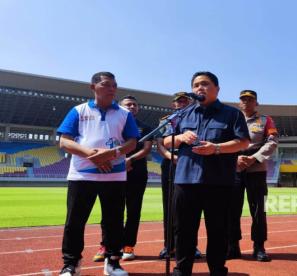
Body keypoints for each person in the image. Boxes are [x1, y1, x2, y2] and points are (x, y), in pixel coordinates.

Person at [164, 71, 250, 276]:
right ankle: (181, 270)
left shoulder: (232, 114)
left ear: (217, 89)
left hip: (218, 182)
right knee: (183, 231)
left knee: (218, 232)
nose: (199, 88)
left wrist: (216, 148)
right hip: (185, 181)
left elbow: (244, 142)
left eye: (205, 84)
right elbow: (167, 141)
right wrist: (181, 137)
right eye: (196, 85)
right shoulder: (183, 113)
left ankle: (218, 270)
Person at [57, 72, 139, 276]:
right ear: (92, 87)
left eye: (114, 85)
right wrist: (91, 155)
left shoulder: (124, 113)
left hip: (114, 175)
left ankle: (113, 262)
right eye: (106, 84)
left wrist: (112, 154)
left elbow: (132, 142)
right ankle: (71, 264)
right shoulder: (78, 110)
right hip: (82, 175)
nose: (112, 88)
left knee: (114, 220)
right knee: (75, 221)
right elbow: (64, 141)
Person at [93, 95, 154, 262]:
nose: (132, 106)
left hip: (137, 172)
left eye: (135, 104)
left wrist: (131, 159)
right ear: (120, 107)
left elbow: (147, 149)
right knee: (110, 210)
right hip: (113, 172)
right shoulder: (112, 124)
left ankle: (128, 245)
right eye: (128, 104)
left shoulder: (146, 127)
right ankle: (106, 245)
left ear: (138, 108)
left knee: (133, 211)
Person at [228, 90, 278, 262]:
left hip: (256, 169)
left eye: (250, 100)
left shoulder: (265, 120)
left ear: (256, 103)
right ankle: (232, 246)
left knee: (258, 210)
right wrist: (235, 158)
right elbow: (223, 142)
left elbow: (272, 141)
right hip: (234, 169)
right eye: (243, 99)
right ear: (239, 103)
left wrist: (253, 158)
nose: (247, 102)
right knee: (231, 209)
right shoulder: (231, 119)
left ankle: (259, 247)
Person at [157, 92, 202, 259]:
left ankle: (192, 246)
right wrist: (172, 157)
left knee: (191, 207)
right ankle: (169, 246)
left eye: (185, 100)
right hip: (171, 163)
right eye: (179, 101)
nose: (182, 103)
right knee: (169, 206)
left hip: (191, 161)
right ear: (173, 104)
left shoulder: (197, 117)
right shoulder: (166, 120)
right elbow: (160, 145)